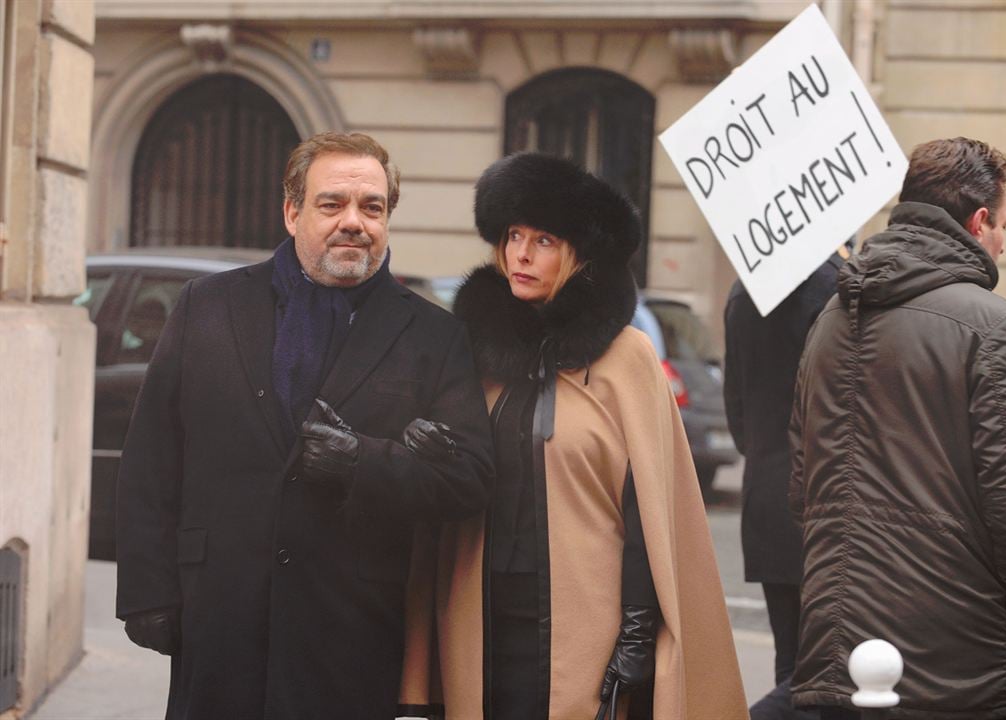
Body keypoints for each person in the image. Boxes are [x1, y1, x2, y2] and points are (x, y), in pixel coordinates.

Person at [114, 132, 494, 720]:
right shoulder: (206, 306)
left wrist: (362, 461)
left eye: (372, 207)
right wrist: (146, 591)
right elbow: (151, 460)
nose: (353, 222)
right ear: (292, 212)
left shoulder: (434, 338)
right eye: (331, 203)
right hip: (217, 619)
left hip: (352, 636)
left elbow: (470, 477)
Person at [423, 152, 748, 720]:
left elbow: (650, 514)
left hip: (586, 634)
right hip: (480, 625)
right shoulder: (475, 356)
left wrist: (637, 640)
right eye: (512, 235)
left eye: (543, 240)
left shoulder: (628, 360)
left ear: (577, 255)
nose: (520, 254)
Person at [788, 137, 1006, 719]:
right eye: (1005, 224)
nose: (1005, 243)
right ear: (980, 220)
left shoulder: (830, 319)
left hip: (837, 639)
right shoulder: (996, 326)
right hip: (958, 654)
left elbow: (803, 482)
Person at [724, 248, 845, 720]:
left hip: (765, 494)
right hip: (820, 498)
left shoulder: (741, 291)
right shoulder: (834, 286)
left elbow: (737, 416)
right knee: (826, 679)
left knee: (791, 663)